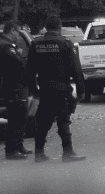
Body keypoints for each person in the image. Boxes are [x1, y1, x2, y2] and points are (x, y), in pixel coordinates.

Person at [26, 15, 86, 162]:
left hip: (45, 88)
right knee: (63, 120)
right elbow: (76, 70)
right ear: (59, 27)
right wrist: (81, 90)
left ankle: (38, 153)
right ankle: (68, 152)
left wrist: (34, 91)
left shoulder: (36, 44)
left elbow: (30, 71)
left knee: (44, 122)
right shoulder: (65, 44)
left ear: (46, 27)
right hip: (61, 88)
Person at [1, 21, 33, 159]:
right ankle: (11, 150)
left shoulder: (7, 45)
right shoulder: (5, 46)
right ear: (12, 31)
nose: (19, 37)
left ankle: (18, 146)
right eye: (18, 33)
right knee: (16, 118)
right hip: (13, 86)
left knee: (22, 116)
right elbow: (18, 64)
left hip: (17, 86)